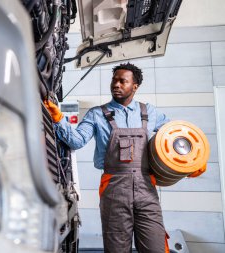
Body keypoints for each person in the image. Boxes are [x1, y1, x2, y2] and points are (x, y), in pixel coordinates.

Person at [44, 62, 171, 253]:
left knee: (156, 248)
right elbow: (77, 141)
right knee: (116, 249)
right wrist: (58, 118)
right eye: (114, 80)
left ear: (134, 86)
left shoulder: (149, 112)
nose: (116, 84)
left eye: (123, 81)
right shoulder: (97, 114)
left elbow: (174, 135)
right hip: (114, 188)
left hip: (147, 188)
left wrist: (188, 160)